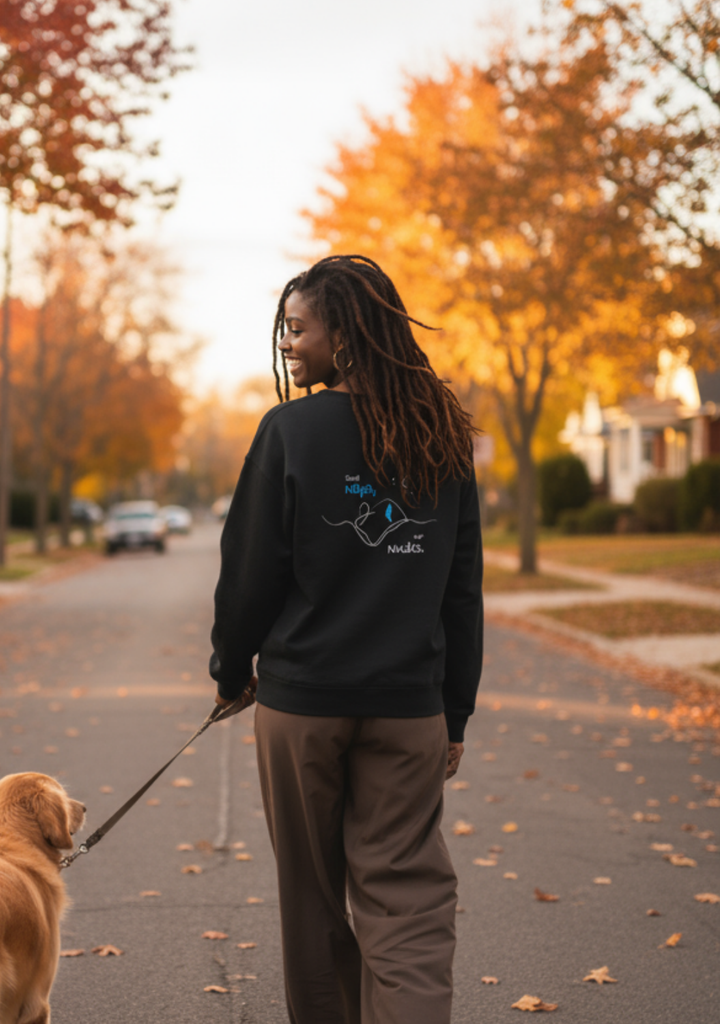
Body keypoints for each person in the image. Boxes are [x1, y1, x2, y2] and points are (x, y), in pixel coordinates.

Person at [209, 254, 483, 1024]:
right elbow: (463, 591)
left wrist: (231, 673)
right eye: (285, 331)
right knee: (410, 901)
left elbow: (249, 574)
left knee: (315, 900)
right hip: (408, 710)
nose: (288, 344)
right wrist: (453, 712)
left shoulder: (290, 432)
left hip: (303, 708)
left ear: (348, 333)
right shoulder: (442, 432)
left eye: (299, 328)